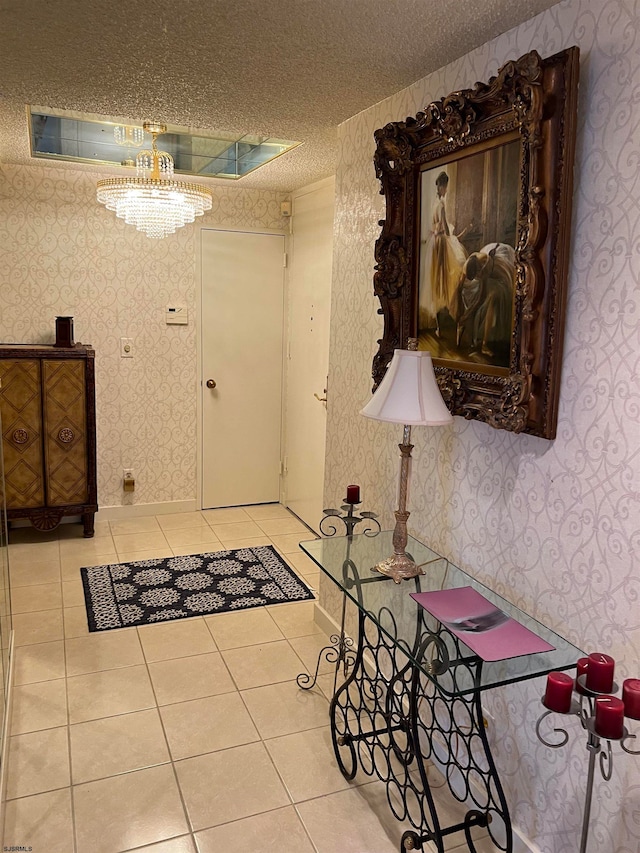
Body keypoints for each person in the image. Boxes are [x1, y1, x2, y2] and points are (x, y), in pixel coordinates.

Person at [418, 171, 468, 336]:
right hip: (440, 245)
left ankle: (441, 326)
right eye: (445, 187)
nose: (446, 190)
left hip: (434, 244)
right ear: (441, 187)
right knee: (449, 278)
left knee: (436, 282)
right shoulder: (440, 205)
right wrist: (457, 237)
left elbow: (431, 227)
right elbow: (445, 229)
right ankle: (455, 320)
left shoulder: (434, 204)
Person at [453, 242, 515, 358]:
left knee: (492, 299)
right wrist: (459, 310)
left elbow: (481, 298)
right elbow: (459, 287)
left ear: (478, 272)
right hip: (487, 259)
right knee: (471, 296)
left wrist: (467, 315)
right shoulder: (470, 263)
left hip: (499, 271)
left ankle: (485, 344)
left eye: (476, 276)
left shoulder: (484, 267)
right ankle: (467, 334)